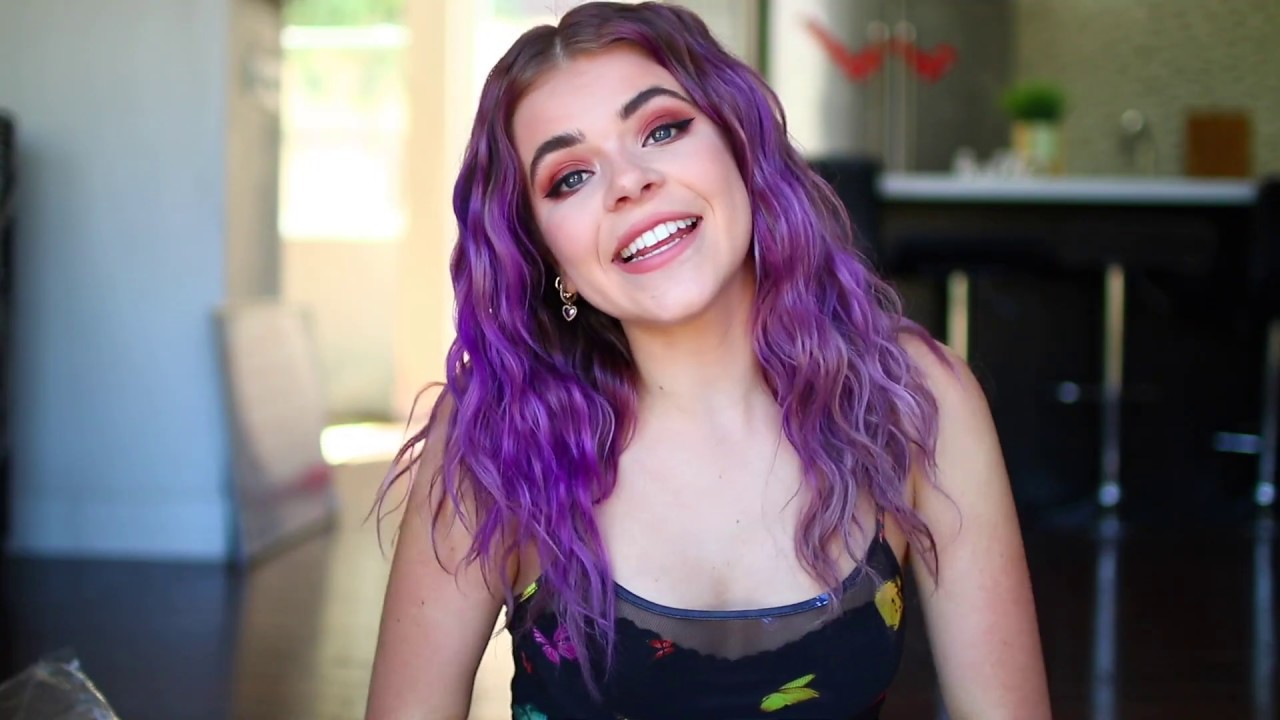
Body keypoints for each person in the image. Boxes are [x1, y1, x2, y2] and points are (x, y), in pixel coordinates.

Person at [366, 3, 1050, 719]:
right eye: (570, 177)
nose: (629, 182)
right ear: (545, 253)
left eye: (662, 130)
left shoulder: (912, 400)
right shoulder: (497, 434)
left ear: (740, 145)